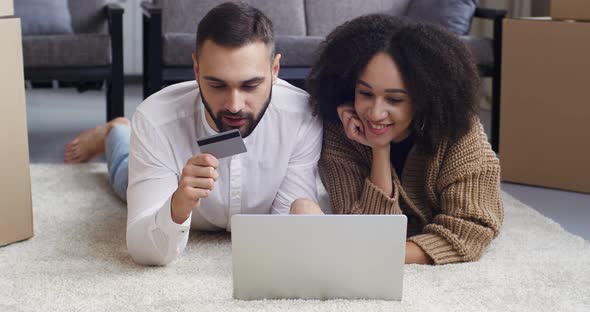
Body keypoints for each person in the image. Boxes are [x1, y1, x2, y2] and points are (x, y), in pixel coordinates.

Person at [64, 2, 322, 266]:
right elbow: (144, 250)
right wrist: (178, 205)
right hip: (169, 185)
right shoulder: (157, 120)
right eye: (217, 84)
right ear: (196, 70)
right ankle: (116, 131)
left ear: (275, 71)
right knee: (123, 175)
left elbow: (287, 230)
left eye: (251, 85)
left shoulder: (303, 117)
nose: (234, 105)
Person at [291, 15, 503, 265]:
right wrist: (379, 150)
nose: (375, 113)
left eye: (395, 100)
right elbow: (364, 231)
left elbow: (470, 230)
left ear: (424, 97)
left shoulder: (459, 131)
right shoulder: (342, 130)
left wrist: (383, 254)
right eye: (366, 93)